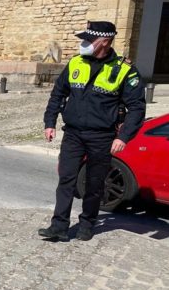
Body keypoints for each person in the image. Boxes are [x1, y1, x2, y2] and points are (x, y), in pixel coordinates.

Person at [38, 21, 145, 242]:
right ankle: (59, 226)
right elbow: (58, 94)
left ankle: (87, 224)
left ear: (104, 42)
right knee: (66, 180)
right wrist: (50, 122)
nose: (83, 44)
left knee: (95, 184)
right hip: (73, 134)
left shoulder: (125, 70)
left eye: (89, 40)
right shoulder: (76, 62)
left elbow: (137, 108)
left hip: (102, 136)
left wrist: (123, 137)